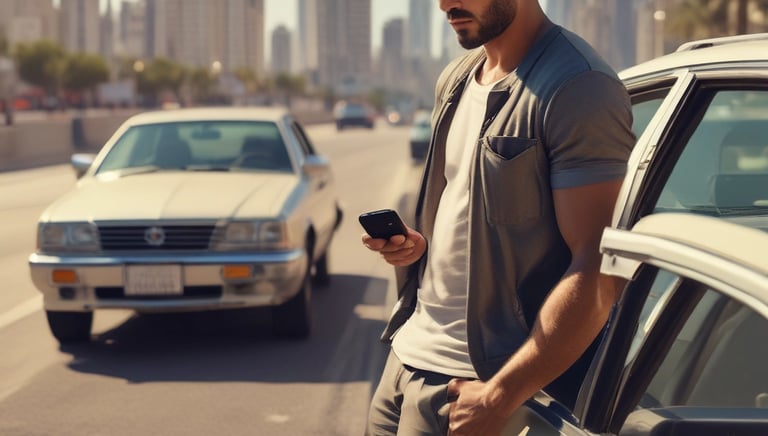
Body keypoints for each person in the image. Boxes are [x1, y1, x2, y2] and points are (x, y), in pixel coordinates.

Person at [361, 0, 636, 435]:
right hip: (405, 357)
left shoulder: (579, 87)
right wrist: (420, 249)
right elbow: (474, 214)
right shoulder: (456, 78)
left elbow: (600, 268)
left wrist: (501, 394)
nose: (445, 3)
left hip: (476, 387)